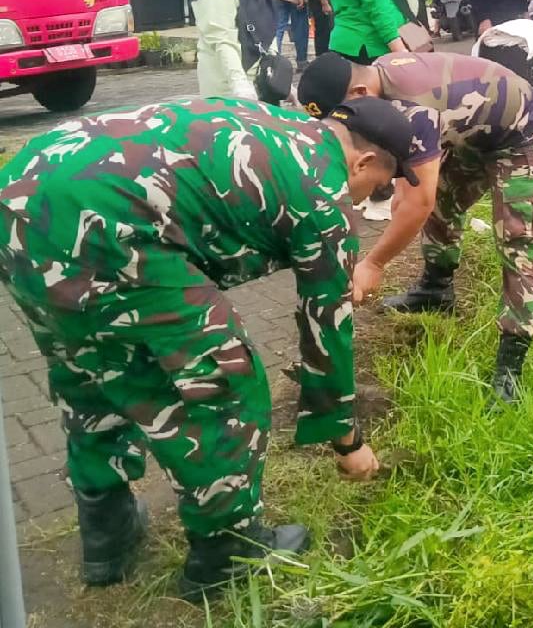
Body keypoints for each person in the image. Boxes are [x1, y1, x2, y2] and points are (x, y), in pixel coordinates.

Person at [0, 95, 422, 599]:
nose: (361, 201)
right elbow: (327, 331)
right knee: (223, 380)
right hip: (110, 223)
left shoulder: (285, 123)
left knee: (90, 364)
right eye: (372, 189)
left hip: (23, 189)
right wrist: (347, 442)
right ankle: (228, 551)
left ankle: (106, 533)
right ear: (364, 161)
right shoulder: (323, 195)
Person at [299, 52, 533, 402]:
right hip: (474, 132)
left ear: (359, 92)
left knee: (519, 238)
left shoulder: (412, 107)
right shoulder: (381, 82)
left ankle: (512, 358)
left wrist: (373, 264)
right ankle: (436, 290)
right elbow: (416, 175)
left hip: (523, 134)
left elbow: (415, 206)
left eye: (345, 117)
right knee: (441, 202)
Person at [323, 0, 417, 221]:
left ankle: (355, 187)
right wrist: (403, 55)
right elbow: (378, 10)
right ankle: (378, 191)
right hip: (369, 50)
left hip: (348, 45)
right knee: (380, 126)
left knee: (349, 123)